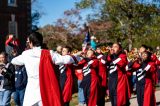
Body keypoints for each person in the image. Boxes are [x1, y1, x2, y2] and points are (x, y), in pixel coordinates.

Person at [11, 32, 75, 106]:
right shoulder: (49, 53)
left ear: (31, 42)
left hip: (31, 90)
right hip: (46, 88)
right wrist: (76, 57)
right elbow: (65, 59)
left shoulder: (26, 54)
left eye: (28, 42)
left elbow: (14, 61)